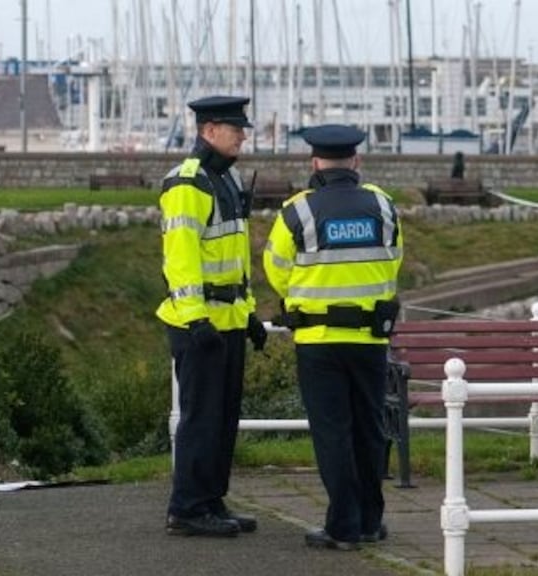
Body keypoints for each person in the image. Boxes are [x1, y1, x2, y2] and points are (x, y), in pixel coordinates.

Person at [263, 124, 403, 551]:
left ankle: (342, 525)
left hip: (319, 340)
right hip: (369, 339)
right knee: (370, 430)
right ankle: (369, 521)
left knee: (333, 434)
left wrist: (301, 296)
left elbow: (275, 268)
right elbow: (394, 260)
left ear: (315, 163)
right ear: (356, 162)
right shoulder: (382, 205)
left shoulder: (297, 212)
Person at [157, 95, 269, 537]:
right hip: (199, 323)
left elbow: (235, 262)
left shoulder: (227, 179)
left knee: (222, 419)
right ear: (208, 131)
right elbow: (180, 261)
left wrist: (250, 315)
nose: (242, 134)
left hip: (228, 320)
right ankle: (186, 507)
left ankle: (211, 501)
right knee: (201, 418)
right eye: (234, 128)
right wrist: (196, 319)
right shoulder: (187, 184)